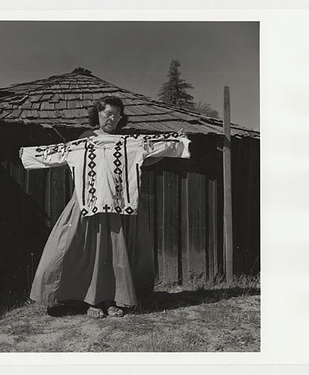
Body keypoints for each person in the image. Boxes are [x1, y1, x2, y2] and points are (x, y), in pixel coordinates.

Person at [19, 96, 190, 318]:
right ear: (97, 114)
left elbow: (147, 157)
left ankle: (111, 301)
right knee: (82, 252)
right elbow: (58, 154)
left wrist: (177, 141)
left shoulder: (129, 141)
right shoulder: (85, 139)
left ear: (121, 117)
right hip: (86, 206)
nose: (111, 118)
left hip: (117, 207)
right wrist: (29, 155)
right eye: (107, 113)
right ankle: (91, 301)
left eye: (116, 114)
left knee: (113, 254)